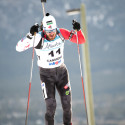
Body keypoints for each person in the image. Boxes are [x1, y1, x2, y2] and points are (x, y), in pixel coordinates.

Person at [16, 13, 85, 125]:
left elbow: (81, 40)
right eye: (48, 32)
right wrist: (29, 34)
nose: (52, 34)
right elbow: (18, 48)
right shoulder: (37, 37)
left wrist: (78, 30)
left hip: (62, 73)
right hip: (46, 75)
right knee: (51, 106)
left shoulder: (61, 33)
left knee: (67, 103)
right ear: (44, 30)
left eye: (53, 30)